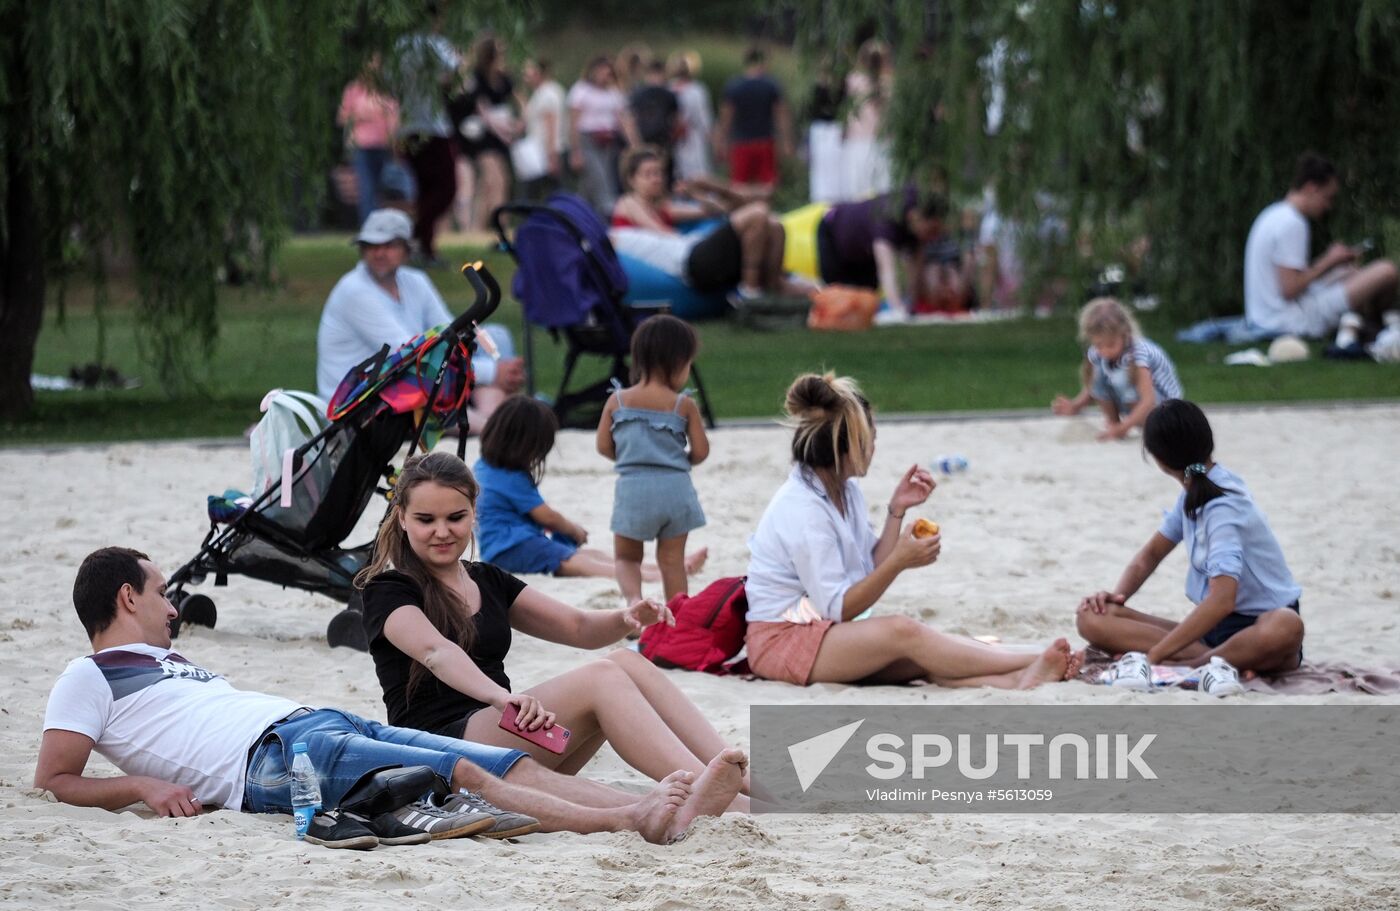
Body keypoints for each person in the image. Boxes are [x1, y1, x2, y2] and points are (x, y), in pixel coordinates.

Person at [36, 547, 746, 848]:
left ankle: (680, 802)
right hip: (278, 757)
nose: (170, 602)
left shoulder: (170, 662)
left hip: (312, 725)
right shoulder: (89, 673)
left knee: (490, 765)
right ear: (127, 597)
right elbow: (54, 778)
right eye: (160, 590)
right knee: (462, 771)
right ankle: (632, 819)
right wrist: (143, 784)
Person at [354, 452, 750, 811]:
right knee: (601, 677)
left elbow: (576, 627)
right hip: (442, 754)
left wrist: (626, 617)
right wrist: (502, 698)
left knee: (625, 661)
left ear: (474, 512)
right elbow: (434, 652)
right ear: (402, 517)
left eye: (455, 517)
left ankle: (743, 781)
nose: (442, 531)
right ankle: (710, 795)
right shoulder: (387, 589)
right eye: (426, 520)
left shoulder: (487, 579)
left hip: (508, 744)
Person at [744, 373, 1082, 688]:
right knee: (903, 631)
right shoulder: (805, 511)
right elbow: (839, 606)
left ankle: (1022, 677)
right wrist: (900, 561)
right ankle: (1036, 656)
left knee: (926, 655)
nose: (874, 448)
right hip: (784, 642)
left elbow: (867, 567)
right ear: (844, 447)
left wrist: (896, 511)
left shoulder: (844, 490)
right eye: (870, 439)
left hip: (826, 634)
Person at [1075, 400, 1305, 694]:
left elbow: (1223, 600)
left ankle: (1189, 666)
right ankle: (1212, 662)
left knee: (1286, 626)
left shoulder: (1223, 507)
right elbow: (1150, 555)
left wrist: (1154, 657)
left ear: (1159, 460)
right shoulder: (1194, 492)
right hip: (1212, 633)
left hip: (1258, 626)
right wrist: (1117, 596)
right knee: (1092, 616)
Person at [313, 208, 525, 429]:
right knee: (431, 373)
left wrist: (490, 367)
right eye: (371, 246)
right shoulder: (354, 291)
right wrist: (491, 372)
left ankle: (490, 420)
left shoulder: (415, 281)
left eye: (390, 245)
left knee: (495, 337)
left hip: (402, 381)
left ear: (406, 250)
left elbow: (452, 333)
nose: (379, 253)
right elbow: (407, 356)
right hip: (365, 399)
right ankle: (491, 427)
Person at [473, 394, 707, 582]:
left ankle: (662, 568)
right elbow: (547, 516)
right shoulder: (509, 476)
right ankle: (664, 573)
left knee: (591, 556)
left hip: (504, 546)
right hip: (513, 547)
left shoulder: (485, 466)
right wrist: (574, 530)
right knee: (584, 563)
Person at [595, 315, 710, 606]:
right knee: (672, 561)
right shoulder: (683, 404)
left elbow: (603, 446)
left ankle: (635, 603)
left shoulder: (617, 401)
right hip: (676, 489)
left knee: (627, 557)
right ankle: (677, 615)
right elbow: (701, 451)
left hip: (634, 489)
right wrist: (679, 459)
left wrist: (630, 458)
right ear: (678, 362)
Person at [1244, 153, 1398, 346]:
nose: (1328, 206)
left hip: (1267, 316)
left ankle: (1367, 325)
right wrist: (1329, 260)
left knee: (1349, 272)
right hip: (1289, 321)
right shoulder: (1293, 223)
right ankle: (1374, 327)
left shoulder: (1272, 214)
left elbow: (1289, 278)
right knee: (1387, 270)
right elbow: (1290, 289)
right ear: (1311, 188)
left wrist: (1335, 264)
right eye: (1328, 197)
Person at [609, 146, 788, 301]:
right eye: (648, 175)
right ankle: (750, 292)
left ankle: (773, 288)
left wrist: (695, 193)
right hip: (683, 259)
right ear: (632, 180)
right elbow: (660, 233)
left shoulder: (665, 208)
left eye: (658, 173)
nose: (656, 179)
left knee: (773, 224)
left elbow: (718, 211)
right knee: (758, 212)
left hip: (687, 251)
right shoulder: (628, 203)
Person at [1052, 297, 1183, 441]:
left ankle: (1134, 428)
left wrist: (1123, 428)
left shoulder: (1139, 354)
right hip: (1135, 404)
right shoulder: (1098, 353)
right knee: (1099, 372)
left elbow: (1148, 400)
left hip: (1165, 411)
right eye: (1099, 345)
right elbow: (1093, 387)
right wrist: (1075, 406)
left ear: (1125, 334)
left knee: (1121, 377)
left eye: (1111, 345)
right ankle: (1113, 423)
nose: (1105, 351)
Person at [817, 188, 948, 321]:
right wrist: (898, 310)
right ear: (915, 216)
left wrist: (911, 305)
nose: (933, 237)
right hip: (832, 234)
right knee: (840, 300)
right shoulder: (886, 218)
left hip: (864, 251)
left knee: (867, 300)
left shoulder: (916, 221)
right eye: (932, 230)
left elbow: (915, 270)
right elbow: (886, 269)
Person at [393, 19, 460, 267]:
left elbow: (391, 84)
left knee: (424, 190)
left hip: (408, 126)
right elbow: (454, 75)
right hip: (434, 127)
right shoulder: (436, 44)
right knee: (446, 189)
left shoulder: (399, 46)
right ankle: (416, 234)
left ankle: (425, 248)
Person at [448, 35, 517, 233]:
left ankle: (495, 224)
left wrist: (516, 124)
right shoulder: (477, 78)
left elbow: (514, 99)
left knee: (501, 181)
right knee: (491, 180)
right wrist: (502, 130)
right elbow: (481, 108)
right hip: (486, 136)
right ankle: (484, 226)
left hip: (502, 134)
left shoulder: (504, 78)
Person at [337, 54, 413, 228]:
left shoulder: (388, 90)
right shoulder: (354, 90)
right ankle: (369, 227)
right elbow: (342, 117)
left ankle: (386, 227)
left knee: (386, 188)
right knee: (367, 188)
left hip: (385, 146)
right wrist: (361, 115)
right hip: (362, 146)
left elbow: (396, 117)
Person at [714, 47, 791, 198]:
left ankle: (744, 216)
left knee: (739, 186)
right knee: (768, 185)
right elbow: (781, 116)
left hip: (741, 143)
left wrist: (720, 142)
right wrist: (786, 141)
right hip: (764, 142)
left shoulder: (734, 86)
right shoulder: (771, 85)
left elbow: (725, 119)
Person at [568, 56, 630, 217]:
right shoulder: (581, 90)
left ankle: (579, 214)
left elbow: (622, 120)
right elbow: (574, 122)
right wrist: (575, 150)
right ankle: (610, 214)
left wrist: (633, 143)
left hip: (608, 142)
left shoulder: (614, 93)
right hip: (587, 140)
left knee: (591, 183)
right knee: (600, 179)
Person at [840, 40, 894, 201]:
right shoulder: (890, 83)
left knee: (858, 191)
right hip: (884, 141)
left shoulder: (853, 81)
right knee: (884, 188)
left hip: (858, 141)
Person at [515, 58, 566, 201]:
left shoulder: (548, 93)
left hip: (545, 151)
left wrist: (552, 155)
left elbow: (551, 125)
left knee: (549, 191)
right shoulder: (538, 94)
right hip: (537, 151)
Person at [627, 60, 680, 186]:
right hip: (646, 139)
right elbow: (630, 119)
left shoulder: (668, 95)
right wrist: (635, 142)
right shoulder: (639, 94)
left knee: (663, 174)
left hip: (663, 141)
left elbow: (675, 119)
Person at [669, 51, 713, 182]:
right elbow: (704, 118)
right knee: (694, 170)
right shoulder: (697, 90)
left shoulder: (670, 87)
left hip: (689, 134)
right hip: (685, 136)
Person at [805, 59, 844, 204]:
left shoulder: (841, 88)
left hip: (833, 130)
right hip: (822, 131)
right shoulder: (818, 89)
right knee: (822, 171)